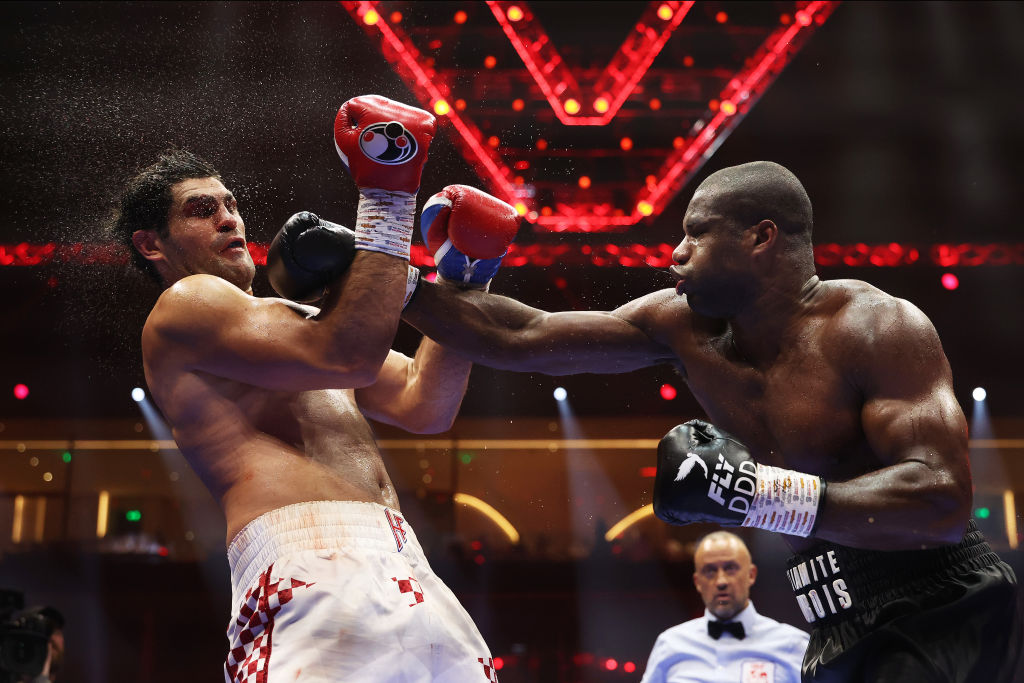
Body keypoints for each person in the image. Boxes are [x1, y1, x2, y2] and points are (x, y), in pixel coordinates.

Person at [401, 160, 1022, 681]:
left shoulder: (874, 326)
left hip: (939, 605)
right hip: (833, 616)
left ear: (760, 238)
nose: (675, 252)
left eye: (696, 234)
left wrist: (758, 494)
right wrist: (380, 272)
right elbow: (522, 334)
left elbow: (942, 502)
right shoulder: (682, 326)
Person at [114, 95, 515, 682]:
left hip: (406, 563)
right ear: (152, 244)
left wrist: (463, 278)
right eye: (202, 211)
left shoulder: (295, 319)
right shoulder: (185, 308)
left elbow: (425, 403)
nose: (230, 219)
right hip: (306, 563)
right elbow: (347, 355)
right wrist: (387, 200)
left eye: (230, 204)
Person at [640, 531, 808, 683]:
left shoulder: (792, 643)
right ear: (697, 582)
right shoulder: (670, 644)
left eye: (730, 568)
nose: (721, 581)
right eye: (710, 571)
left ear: (751, 575)